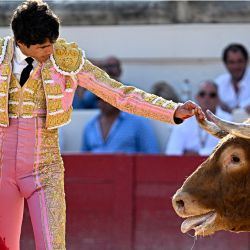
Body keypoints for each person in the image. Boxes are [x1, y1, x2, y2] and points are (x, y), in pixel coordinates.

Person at [0, 1, 204, 249]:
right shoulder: (2, 57)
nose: (50, 51)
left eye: (52, 43)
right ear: (21, 43)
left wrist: (171, 109)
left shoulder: (67, 59)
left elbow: (118, 94)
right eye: (43, 47)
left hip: (44, 169)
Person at [166, 80, 232, 156]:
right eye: (202, 94)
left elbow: (227, 150)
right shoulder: (184, 119)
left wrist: (197, 154)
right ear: (197, 97)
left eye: (212, 95)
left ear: (218, 99)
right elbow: (172, 152)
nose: (207, 98)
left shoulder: (227, 120)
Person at [82, 98, 160, 154]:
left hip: (127, 174)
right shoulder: (90, 126)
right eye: (98, 98)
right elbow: (83, 160)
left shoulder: (138, 122)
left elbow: (152, 155)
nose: (102, 102)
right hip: (95, 175)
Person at [215, 43, 250, 114]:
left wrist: (228, 110)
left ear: (246, 61)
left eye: (240, 61)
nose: (236, 66)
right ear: (225, 64)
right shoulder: (219, 83)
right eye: (231, 62)